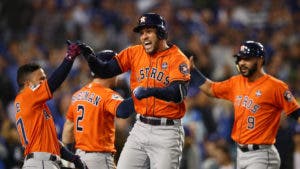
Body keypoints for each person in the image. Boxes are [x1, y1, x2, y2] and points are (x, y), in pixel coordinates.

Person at [79, 13, 191, 169]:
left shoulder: (177, 58)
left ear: (161, 33)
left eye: (149, 31)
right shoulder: (134, 53)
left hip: (167, 132)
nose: (144, 36)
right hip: (141, 127)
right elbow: (106, 71)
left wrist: (150, 91)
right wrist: (89, 57)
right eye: (142, 33)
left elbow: (179, 92)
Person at [193, 40, 300, 169]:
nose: (242, 63)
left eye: (247, 59)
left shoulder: (276, 86)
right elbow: (210, 89)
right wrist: (192, 71)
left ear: (260, 60)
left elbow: (296, 113)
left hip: (261, 154)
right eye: (239, 59)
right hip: (241, 153)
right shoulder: (236, 82)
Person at [14, 41, 88, 169]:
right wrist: (69, 58)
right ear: (27, 84)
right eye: (41, 79)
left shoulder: (35, 105)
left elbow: (52, 142)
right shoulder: (27, 96)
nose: (44, 82)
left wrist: (73, 158)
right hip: (42, 162)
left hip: (41, 161)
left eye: (45, 78)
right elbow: (54, 82)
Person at [62, 50, 135, 169]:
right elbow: (123, 111)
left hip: (79, 157)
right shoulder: (107, 94)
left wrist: (69, 159)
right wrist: (142, 93)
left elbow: (69, 127)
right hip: (99, 159)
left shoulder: (78, 95)